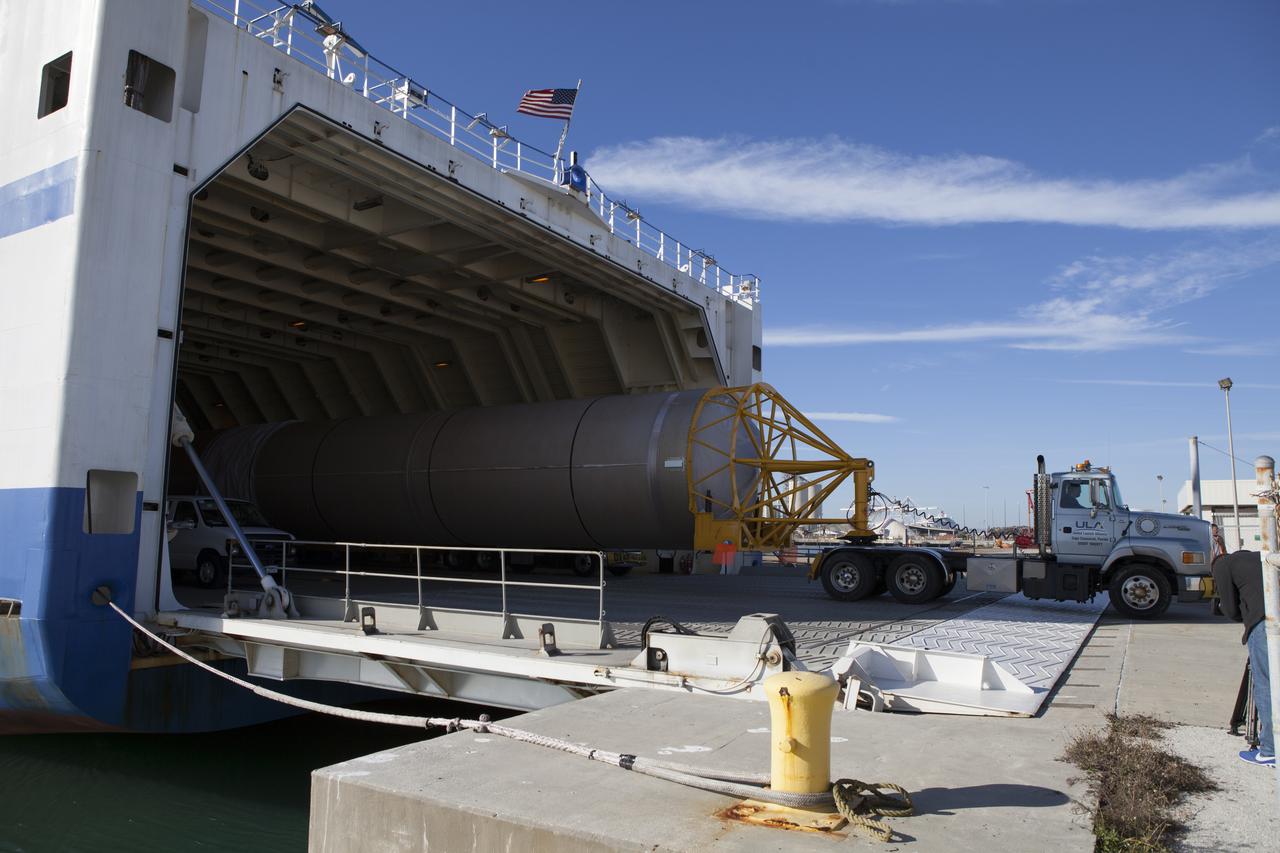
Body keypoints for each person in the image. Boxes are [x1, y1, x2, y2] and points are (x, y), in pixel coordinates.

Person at [1212, 549, 1273, 767]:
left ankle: (1269, 749)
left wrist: (1241, 615)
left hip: (1264, 622)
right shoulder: (1258, 556)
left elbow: (1229, 609)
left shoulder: (1221, 565)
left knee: (1266, 684)